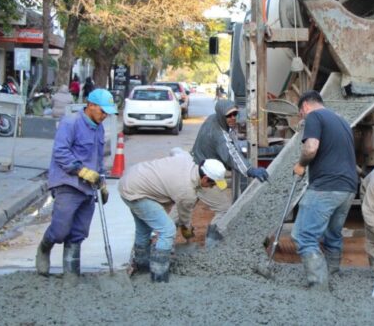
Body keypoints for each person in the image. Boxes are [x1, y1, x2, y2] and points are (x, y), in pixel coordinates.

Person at [35, 89, 118, 281]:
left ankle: (71, 275)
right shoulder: (70, 123)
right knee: (60, 229)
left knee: (79, 232)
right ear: (90, 105)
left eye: (107, 112)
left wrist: (102, 182)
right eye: (102, 111)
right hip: (68, 183)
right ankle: (44, 248)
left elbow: (98, 161)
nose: (104, 115)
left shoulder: (99, 128)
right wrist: (81, 171)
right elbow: (61, 152)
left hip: (89, 188)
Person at [119, 154, 227, 282]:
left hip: (133, 177)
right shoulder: (187, 192)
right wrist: (187, 230)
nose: (212, 187)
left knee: (144, 228)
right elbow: (184, 216)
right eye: (212, 183)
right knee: (167, 230)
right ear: (204, 178)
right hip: (136, 191)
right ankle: (159, 275)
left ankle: (142, 267)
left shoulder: (186, 159)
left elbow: (175, 151)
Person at [291, 90, 358, 289]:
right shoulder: (342, 121)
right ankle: (332, 274)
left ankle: (318, 284)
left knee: (304, 235)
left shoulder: (314, 116)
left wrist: (301, 164)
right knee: (333, 233)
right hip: (348, 188)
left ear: (305, 107)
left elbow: (311, 148)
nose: (303, 119)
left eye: (301, 114)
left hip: (325, 187)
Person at [191, 99, 269, 243]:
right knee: (224, 208)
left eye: (235, 114)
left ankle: (159, 239)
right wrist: (250, 170)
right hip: (205, 175)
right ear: (222, 116)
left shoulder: (214, 119)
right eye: (229, 116)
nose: (233, 118)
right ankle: (212, 244)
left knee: (184, 201)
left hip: (194, 166)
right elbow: (231, 155)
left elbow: (233, 143)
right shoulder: (219, 135)